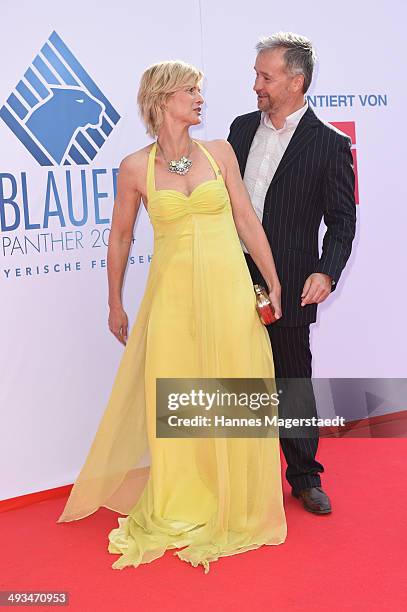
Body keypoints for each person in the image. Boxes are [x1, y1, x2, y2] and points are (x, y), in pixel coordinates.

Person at [57, 60, 287, 573]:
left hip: (228, 296)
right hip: (172, 302)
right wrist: (114, 300)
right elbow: (120, 237)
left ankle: (237, 501)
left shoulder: (221, 153)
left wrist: (270, 278)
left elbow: (246, 220)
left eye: (200, 91)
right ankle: (185, 499)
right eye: (191, 91)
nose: (200, 99)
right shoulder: (135, 167)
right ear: (163, 99)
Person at [228, 32, 357, 514]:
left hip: (291, 279)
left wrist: (326, 271)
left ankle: (304, 476)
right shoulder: (239, 129)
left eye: (266, 76)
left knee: (291, 383)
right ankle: (238, 475)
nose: (256, 84)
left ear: (295, 81)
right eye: (256, 74)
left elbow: (343, 219)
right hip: (229, 273)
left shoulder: (328, 144)